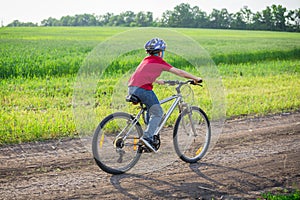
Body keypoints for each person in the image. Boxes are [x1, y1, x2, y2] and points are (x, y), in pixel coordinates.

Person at [128, 37, 202, 152]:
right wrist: (195, 78)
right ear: (160, 52)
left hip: (132, 88)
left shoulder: (146, 60)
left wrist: (158, 81)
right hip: (143, 89)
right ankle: (147, 138)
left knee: (151, 109)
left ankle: (150, 136)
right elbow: (179, 72)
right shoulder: (159, 61)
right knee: (158, 113)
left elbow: (141, 75)